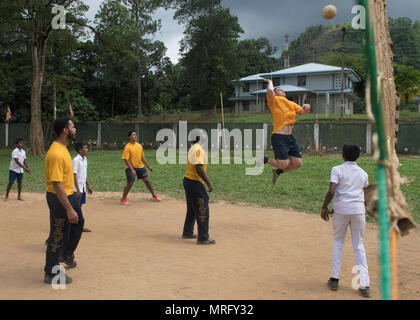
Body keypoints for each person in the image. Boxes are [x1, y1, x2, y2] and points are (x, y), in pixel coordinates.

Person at [321, 144, 370, 298]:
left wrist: (324, 206)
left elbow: (331, 191)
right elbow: (365, 197)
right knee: (359, 246)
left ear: (343, 155)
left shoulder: (337, 169)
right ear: (358, 156)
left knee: (338, 242)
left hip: (341, 210)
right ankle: (364, 285)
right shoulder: (363, 173)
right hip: (358, 211)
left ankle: (335, 280)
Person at [44, 118, 84, 285]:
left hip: (68, 196)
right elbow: (56, 183)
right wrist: (69, 209)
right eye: (72, 126)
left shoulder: (63, 149)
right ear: (65, 131)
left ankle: (66, 254)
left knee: (78, 223)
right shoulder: (56, 153)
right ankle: (51, 273)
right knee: (58, 234)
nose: (75, 129)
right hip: (59, 199)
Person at [262, 78, 310, 185]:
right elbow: (269, 91)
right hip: (279, 136)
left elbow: (302, 112)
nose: (282, 90)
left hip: (289, 137)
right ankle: (265, 159)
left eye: (283, 90)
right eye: (279, 89)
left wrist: (307, 108)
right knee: (283, 163)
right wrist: (270, 82)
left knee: (298, 163)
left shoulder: (291, 103)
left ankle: (277, 171)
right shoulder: (274, 101)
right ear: (275, 93)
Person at [181, 130, 215, 245]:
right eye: (204, 135)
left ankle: (187, 231)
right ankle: (203, 237)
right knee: (202, 209)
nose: (206, 136)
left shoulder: (193, 147)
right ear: (199, 137)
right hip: (195, 183)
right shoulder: (198, 149)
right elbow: (199, 168)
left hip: (188, 181)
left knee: (192, 208)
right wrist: (209, 183)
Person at [120, 131, 160, 205]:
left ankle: (154, 194)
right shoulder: (127, 147)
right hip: (130, 168)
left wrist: (148, 166)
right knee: (130, 183)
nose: (135, 136)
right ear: (130, 137)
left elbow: (142, 158)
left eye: (136, 135)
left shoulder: (139, 146)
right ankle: (123, 199)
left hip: (140, 167)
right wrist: (132, 169)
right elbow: (125, 159)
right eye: (133, 135)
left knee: (146, 180)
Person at [73, 142, 93, 232]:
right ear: (80, 150)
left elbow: (83, 175)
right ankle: (74, 228)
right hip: (77, 188)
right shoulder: (76, 160)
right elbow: (74, 175)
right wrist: (77, 189)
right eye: (85, 148)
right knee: (75, 208)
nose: (87, 149)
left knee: (79, 207)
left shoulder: (85, 159)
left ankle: (79, 226)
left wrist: (88, 186)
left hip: (83, 187)